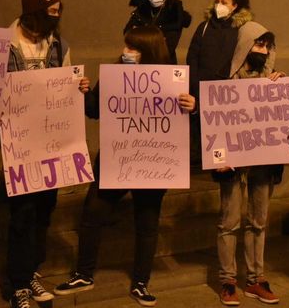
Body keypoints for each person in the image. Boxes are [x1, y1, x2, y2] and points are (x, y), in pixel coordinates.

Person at [53, 26, 196, 307]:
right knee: (93, 212)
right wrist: (85, 93)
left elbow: (183, 119)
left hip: (153, 162)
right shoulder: (114, 77)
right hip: (116, 160)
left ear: (149, 51)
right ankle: (84, 273)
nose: (125, 52)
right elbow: (95, 110)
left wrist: (192, 105)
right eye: (126, 47)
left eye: (133, 48)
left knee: (146, 223)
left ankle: (141, 282)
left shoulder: (172, 81)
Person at [4, 0, 91, 308]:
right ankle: (18, 284)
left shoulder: (59, 46)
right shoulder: (6, 45)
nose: (56, 18)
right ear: (34, 13)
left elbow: (65, 91)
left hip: (51, 146)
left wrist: (78, 87)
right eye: (51, 12)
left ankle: (31, 273)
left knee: (44, 212)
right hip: (22, 146)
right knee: (22, 214)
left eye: (59, 12)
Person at [215, 23, 284, 306]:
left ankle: (256, 279)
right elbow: (216, 122)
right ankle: (227, 280)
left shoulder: (273, 82)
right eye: (258, 44)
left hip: (262, 164)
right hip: (232, 165)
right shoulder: (226, 82)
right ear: (245, 45)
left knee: (259, 221)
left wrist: (282, 91)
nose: (263, 50)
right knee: (229, 222)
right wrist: (218, 156)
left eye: (267, 46)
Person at [186, 0, 254, 164]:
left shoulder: (242, 29)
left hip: (226, 93)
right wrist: (194, 84)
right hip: (202, 88)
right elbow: (192, 56)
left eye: (224, 2)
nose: (219, 5)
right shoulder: (205, 27)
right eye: (217, 1)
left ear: (235, 6)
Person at [123, 0, 192, 64]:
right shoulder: (142, 9)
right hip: (136, 62)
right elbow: (128, 34)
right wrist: (156, 40)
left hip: (162, 64)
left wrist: (140, 39)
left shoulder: (174, 15)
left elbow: (167, 47)